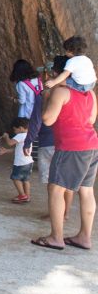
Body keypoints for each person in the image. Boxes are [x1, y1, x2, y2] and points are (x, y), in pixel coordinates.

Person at [30, 63, 98, 251]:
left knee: (56, 189)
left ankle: (56, 237)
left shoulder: (61, 92)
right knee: (86, 190)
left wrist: (47, 98)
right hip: (91, 145)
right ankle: (84, 237)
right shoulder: (91, 95)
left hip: (70, 146)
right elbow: (91, 120)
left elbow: (48, 119)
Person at [24, 56, 73, 220]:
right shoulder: (79, 92)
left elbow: (38, 119)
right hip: (70, 142)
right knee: (67, 181)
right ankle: (65, 213)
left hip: (48, 141)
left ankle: (55, 213)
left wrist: (28, 140)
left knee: (52, 181)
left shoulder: (48, 93)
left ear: (53, 72)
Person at [0, 118, 34, 203]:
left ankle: (22, 195)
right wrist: (6, 151)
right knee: (25, 180)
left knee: (15, 178)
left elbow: (10, 143)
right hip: (28, 162)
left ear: (21, 128)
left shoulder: (21, 135)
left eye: (15, 129)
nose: (14, 132)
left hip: (20, 163)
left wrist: (6, 136)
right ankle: (27, 196)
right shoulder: (29, 135)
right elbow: (18, 149)